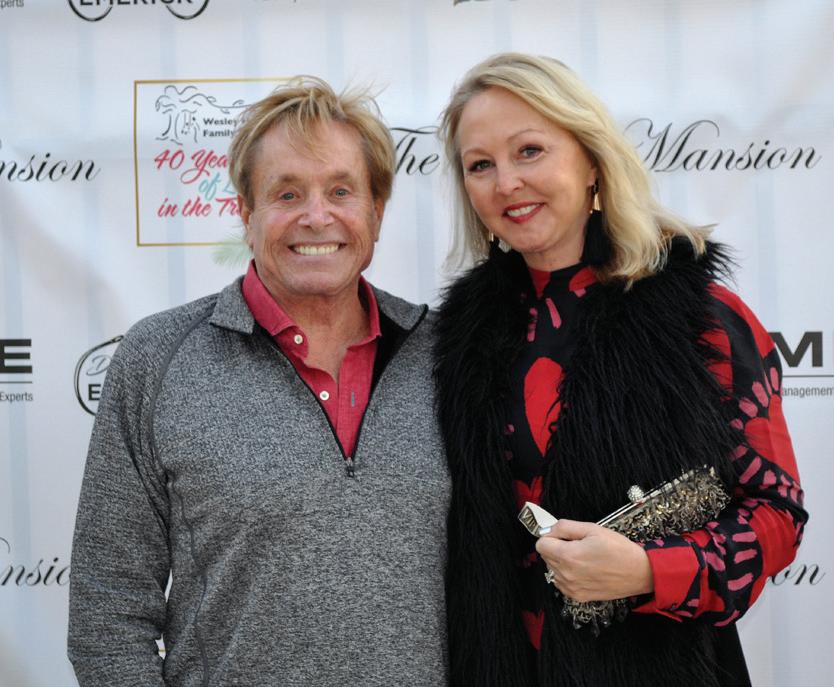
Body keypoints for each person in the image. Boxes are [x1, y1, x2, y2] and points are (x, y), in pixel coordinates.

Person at [434, 52, 807, 687]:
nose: (506, 183)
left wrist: (648, 570)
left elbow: (777, 515)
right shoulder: (456, 336)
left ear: (591, 161)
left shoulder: (700, 316)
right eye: (480, 165)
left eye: (530, 151)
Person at [68, 77, 450, 686]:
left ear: (376, 212)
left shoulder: (447, 356)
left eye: (341, 191)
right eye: (287, 193)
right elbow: (107, 613)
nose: (316, 216)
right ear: (246, 214)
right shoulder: (157, 357)